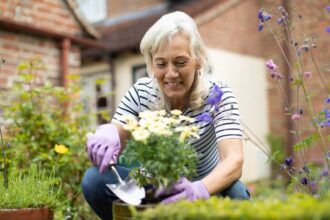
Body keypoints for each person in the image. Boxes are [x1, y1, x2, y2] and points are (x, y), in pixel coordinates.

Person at [82, 11, 250, 219]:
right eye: (161, 64)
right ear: (152, 64)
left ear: (198, 60)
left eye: (180, 62)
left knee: (237, 194)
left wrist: (199, 190)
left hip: (207, 185)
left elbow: (234, 161)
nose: (170, 73)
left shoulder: (218, 96)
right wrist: (109, 133)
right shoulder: (142, 92)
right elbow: (118, 129)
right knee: (94, 181)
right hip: (157, 185)